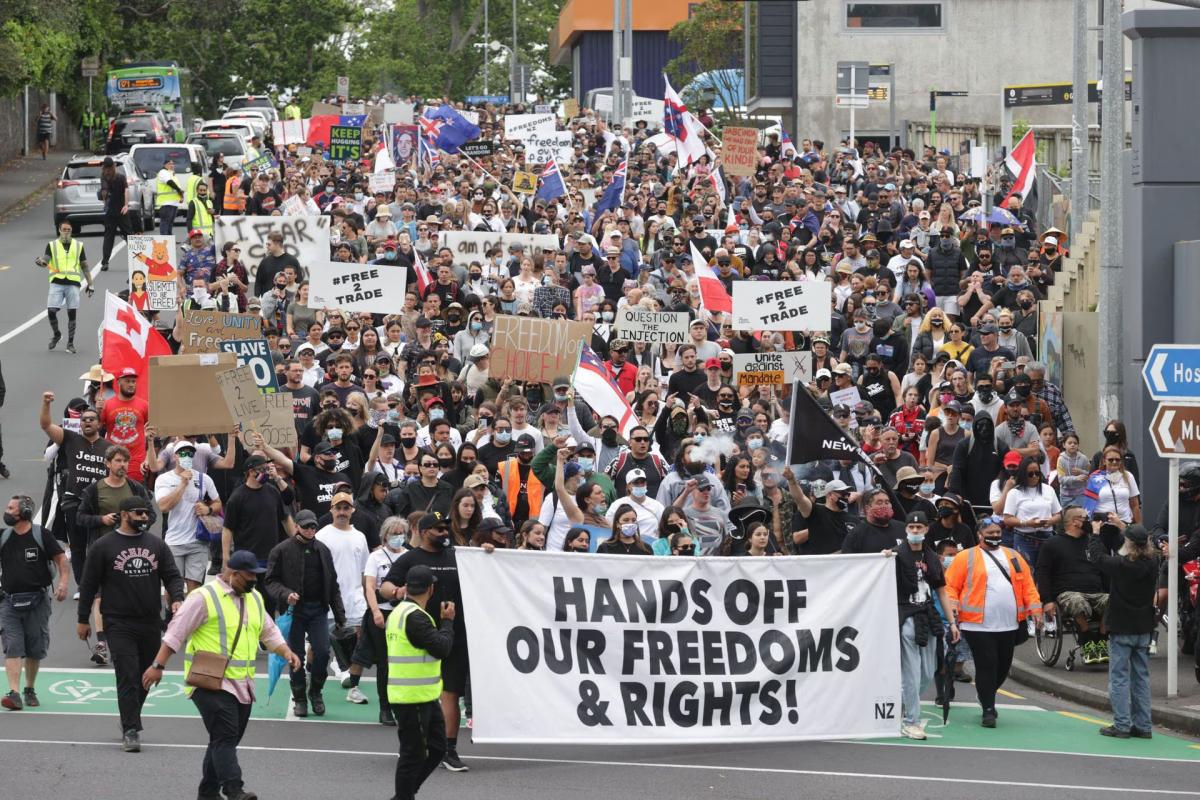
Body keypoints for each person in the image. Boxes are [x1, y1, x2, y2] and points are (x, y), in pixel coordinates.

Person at [143, 551, 301, 800]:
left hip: (243, 684)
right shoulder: (203, 598)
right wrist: (157, 665)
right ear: (232, 573)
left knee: (222, 740)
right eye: (249, 577)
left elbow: (268, 632)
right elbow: (176, 633)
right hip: (209, 682)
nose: (253, 582)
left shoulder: (254, 599)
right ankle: (234, 790)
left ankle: (207, 793)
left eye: (256, 577)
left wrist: (286, 651)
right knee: (225, 737)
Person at [76, 495, 185, 751]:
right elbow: (89, 585)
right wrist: (83, 619)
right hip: (118, 622)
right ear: (124, 514)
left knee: (146, 677)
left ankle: (130, 716)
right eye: (139, 513)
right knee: (127, 675)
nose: (144, 517)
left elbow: (171, 575)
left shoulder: (156, 545)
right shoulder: (103, 546)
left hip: (149, 622)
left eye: (146, 513)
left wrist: (177, 598)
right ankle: (131, 729)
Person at [380, 514, 470, 773]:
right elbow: (385, 586)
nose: (444, 533)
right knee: (421, 697)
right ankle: (414, 745)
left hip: (455, 634)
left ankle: (448, 749)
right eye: (438, 529)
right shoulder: (409, 558)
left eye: (446, 528)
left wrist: (486, 549)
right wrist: (396, 592)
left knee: (450, 693)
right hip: (419, 635)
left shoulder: (458, 556)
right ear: (422, 530)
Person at [944, 516, 1042, 728]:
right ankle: (989, 708)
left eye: (998, 533)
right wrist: (953, 607)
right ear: (979, 535)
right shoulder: (965, 557)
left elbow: (1028, 586)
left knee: (1003, 667)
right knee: (987, 663)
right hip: (976, 624)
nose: (995, 537)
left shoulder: (1014, 556)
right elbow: (950, 586)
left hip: (1009, 624)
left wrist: (1036, 609)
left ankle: (985, 693)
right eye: (990, 534)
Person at [264, 509, 345, 719]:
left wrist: (340, 616)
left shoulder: (323, 550)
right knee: (295, 656)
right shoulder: (281, 550)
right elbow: (270, 581)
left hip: (318, 609)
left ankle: (316, 692)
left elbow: (333, 584)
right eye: (306, 526)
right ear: (297, 526)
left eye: (313, 526)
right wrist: (286, 594)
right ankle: (300, 697)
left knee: (323, 652)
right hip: (294, 613)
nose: (310, 530)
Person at [384, 564, 456, 800]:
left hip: (423, 694)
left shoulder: (399, 612)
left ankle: (404, 794)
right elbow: (442, 648)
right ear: (431, 589)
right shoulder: (415, 617)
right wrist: (447, 622)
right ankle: (404, 796)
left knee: (437, 749)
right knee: (412, 754)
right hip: (411, 696)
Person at [1087, 522, 1159, 739]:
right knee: (1141, 678)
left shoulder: (1121, 565)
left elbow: (1098, 557)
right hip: (1143, 627)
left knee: (1119, 677)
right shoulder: (1153, 562)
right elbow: (1130, 546)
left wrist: (1096, 533)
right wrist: (1123, 527)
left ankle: (1122, 725)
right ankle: (1144, 725)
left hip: (1121, 627)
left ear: (1128, 543)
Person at [893, 512, 958, 740]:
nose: (915, 531)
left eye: (920, 527)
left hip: (928, 618)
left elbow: (941, 591)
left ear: (927, 530)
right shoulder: (895, 557)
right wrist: (881, 560)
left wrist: (951, 623)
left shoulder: (931, 557)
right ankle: (911, 721)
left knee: (927, 673)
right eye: (911, 526)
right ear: (906, 529)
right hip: (907, 618)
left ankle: (898, 704)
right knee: (911, 672)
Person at [0, 495, 69, 711]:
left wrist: (63, 583)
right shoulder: (4, 537)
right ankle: (14, 693)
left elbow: (61, 559)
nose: (7, 511)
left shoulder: (42, 535)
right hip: (9, 602)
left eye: (11, 508)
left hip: (37, 601)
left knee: (34, 649)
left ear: (25, 512)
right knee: (12, 645)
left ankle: (29, 688)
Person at [1036, 506, 1111, 665]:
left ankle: (1101, 640)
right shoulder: (1052, 544)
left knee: (1113, 600)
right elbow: (1042, 573)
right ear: (1075, 522)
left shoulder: (1093, 542)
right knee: (1077, 601)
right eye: (1086, 518)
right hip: (1067, 593)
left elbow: (1105, 570)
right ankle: (1087, 640)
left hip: (1095, 591)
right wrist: (1047, 600)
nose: (1090, 522)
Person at [316, 491, 371, 705]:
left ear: (352, 510)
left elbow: (365, 571)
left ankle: (353, 684)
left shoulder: (360, 537)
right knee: (318, 648)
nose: (342, 512)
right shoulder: (322, 535)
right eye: (338, 508)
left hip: (355, 600)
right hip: (327, 602)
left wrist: (367, 598)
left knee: (356, 642)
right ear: (331, 510)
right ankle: (312, 683)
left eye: (346, 508)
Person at [153, 439, 222, 593]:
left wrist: (208, 509)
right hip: (174, 542)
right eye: (183, 453)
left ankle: (192, 616)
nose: (187, 456)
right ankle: (173, 616)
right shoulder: (164, 479)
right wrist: (183, 483)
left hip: (198, 542)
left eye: (190, 453)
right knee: (174, 589)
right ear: (174, 457)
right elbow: (164, 506)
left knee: (195, 590)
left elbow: (218, 503)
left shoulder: (204, 478)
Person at [36, 221, 95, 353]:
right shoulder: (52, 245)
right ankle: (57, 334)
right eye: (64, 229)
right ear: (59, 230)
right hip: (57, 282)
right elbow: (46, 259)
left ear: (71, 230)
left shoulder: (79, 246)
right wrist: (41, 262)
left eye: (68, 230)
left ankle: (70, 343)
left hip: (73, 283)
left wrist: (90, 284)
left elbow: (84, 266)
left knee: (72, 313)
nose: (66, 232)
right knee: (51, 311)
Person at [99, 156, 131, 270]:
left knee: (109, 236)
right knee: (129, 235)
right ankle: (137, 259)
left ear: (104, 167)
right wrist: (126, 205)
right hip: (122, 210)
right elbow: (126, 191)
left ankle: (105, 262)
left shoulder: (104, 177)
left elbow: (104, 192)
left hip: (110, 212)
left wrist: (105, 204)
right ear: (114, 166)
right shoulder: (121, 177)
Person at [155, 157, 185, 235]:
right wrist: (179, 190)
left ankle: (170, 239)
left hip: (173, 202)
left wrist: (181, 196)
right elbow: (169, 182)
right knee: (165, 222)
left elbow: (176, 187)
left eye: (172, 164)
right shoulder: (163, 172)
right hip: (166, 202)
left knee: (170, 222)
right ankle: (165, 239)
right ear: (165, 165)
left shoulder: (171, 173)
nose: (171, 165)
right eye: (169, 164)